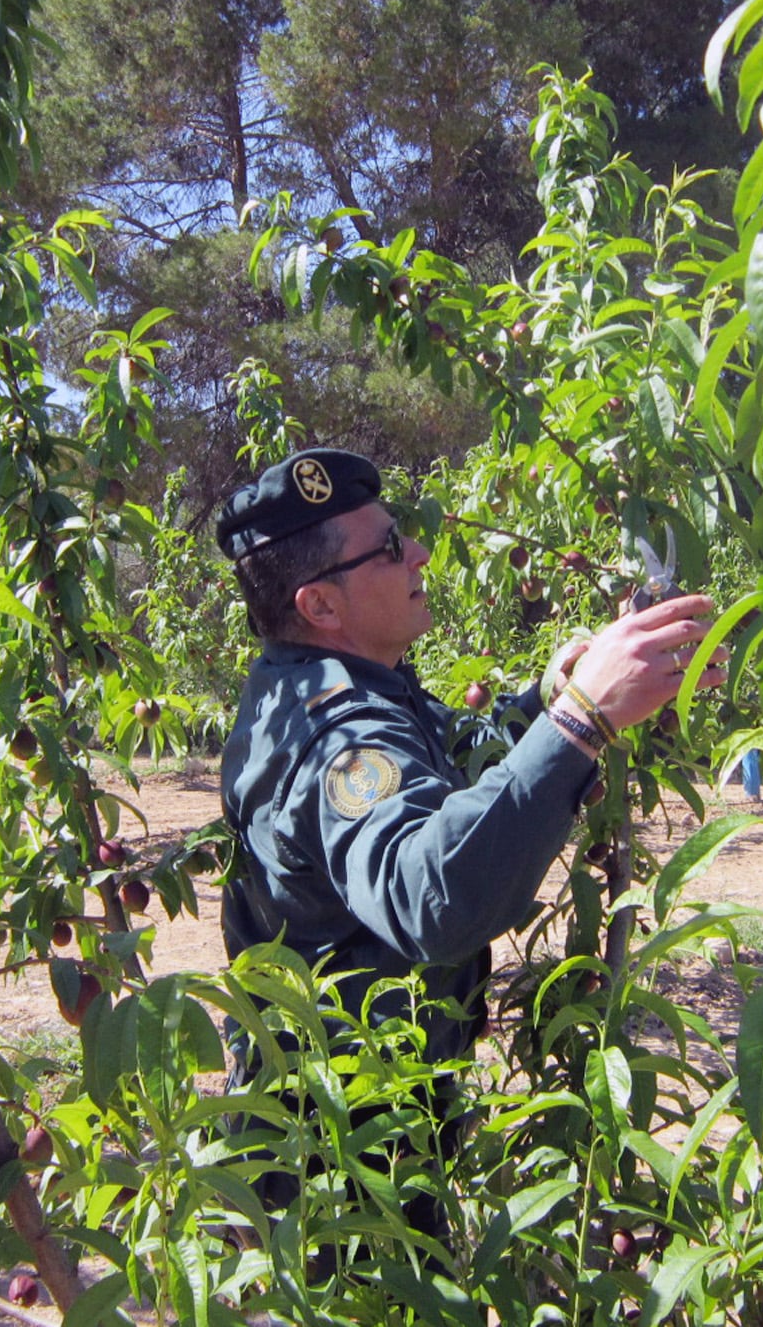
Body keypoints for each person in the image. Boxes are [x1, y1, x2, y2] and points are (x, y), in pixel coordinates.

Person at [214, 446, 725, 1068]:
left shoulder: (333, 684)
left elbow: (453, 763)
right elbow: (429, 896)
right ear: (320, 605)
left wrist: (552, 698)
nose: (419, 555)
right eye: (389, 548)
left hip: (387, 1126)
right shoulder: (334, 740)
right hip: (340, 1145)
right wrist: (582, 717)